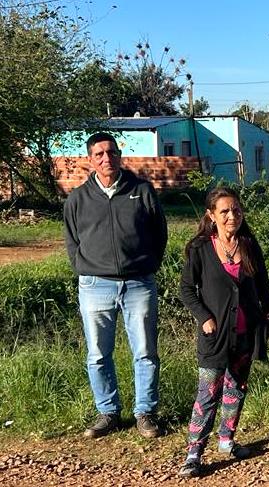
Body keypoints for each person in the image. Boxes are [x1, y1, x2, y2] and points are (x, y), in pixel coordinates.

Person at [63, 131, 168, 439]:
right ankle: (108, 412)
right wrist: (84, 268)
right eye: (99, 154)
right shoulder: (78, 199)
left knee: (145, 351)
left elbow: (159, 234)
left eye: (111, 152)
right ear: (90, 160)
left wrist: (148, 266)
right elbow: (72, 241)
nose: (106, 158)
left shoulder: (142, 191)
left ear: (119, 154)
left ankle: (145, 412)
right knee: (97, 353)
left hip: (138, 284)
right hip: (95, 286)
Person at [177, 188, 269, 478]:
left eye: (236, 210)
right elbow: (186, 289)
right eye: (225, 211)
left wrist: (267, 314)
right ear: (212, 215)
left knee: (236, 389)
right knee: (207, 394)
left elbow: (263, 283)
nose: (232, 216)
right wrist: (204, 317)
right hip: (214, 337)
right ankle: (194, 453)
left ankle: (226, 440)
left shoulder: (248, 244)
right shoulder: (200, 248)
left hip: (245, 334)